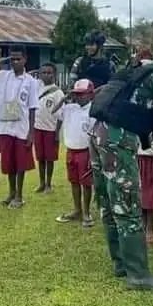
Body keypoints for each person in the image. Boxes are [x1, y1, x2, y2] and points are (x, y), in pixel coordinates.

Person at [89, 39, 153, 291]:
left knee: (109, 203)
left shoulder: (132, 67)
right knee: (128, 204)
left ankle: (120, 263)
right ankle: (139, 275)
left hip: (97, 133)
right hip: (118, 139)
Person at [0, 47, 39, 209]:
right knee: (9, 163)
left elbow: (32, 108)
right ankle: (10, 193)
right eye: (12, 59)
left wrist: (31, 132)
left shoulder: (30, 81)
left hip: (21, 127)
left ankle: (19, 195)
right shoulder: (2, 76)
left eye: (18, 59)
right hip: (4, 127)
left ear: (25, 59)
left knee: (20, 163)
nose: (15, 62)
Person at [54, 79, 96, 227]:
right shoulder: (69, 108)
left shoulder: (93, 110)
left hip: (86, 151)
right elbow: (54, 111)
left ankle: (86, 212)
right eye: (77, 94)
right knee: (74, 181)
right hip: (71, 150)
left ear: (91, 94)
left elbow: (94, 135)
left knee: (86, 183)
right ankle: (77, 209)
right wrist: (65, 97)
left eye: (82, 94)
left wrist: (93, 156)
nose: (79, 97)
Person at [34, 63, 65, 193]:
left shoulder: (58, 93)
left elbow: (60, 116)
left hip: (51, 130)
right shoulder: (36, 88)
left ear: (54, 74)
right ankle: (41, 183)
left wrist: (57, 133)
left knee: (50, 158)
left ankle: (48, 184)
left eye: (49, 72)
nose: (46, 75)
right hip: (37, 128)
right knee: (40, 158)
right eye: (44, 73)